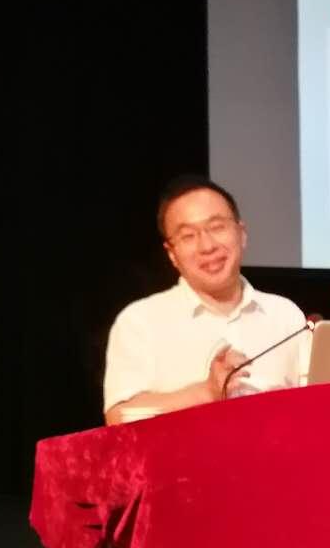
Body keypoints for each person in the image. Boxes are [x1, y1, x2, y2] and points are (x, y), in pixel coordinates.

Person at [102, 175, 308, 425]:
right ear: (172, 254)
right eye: (188, 236)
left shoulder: (284, 314)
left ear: (242, 233)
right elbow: (118, 417)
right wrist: (206, 392)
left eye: (217, 227)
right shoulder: (140, 321)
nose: (207, 246)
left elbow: (314, 405)